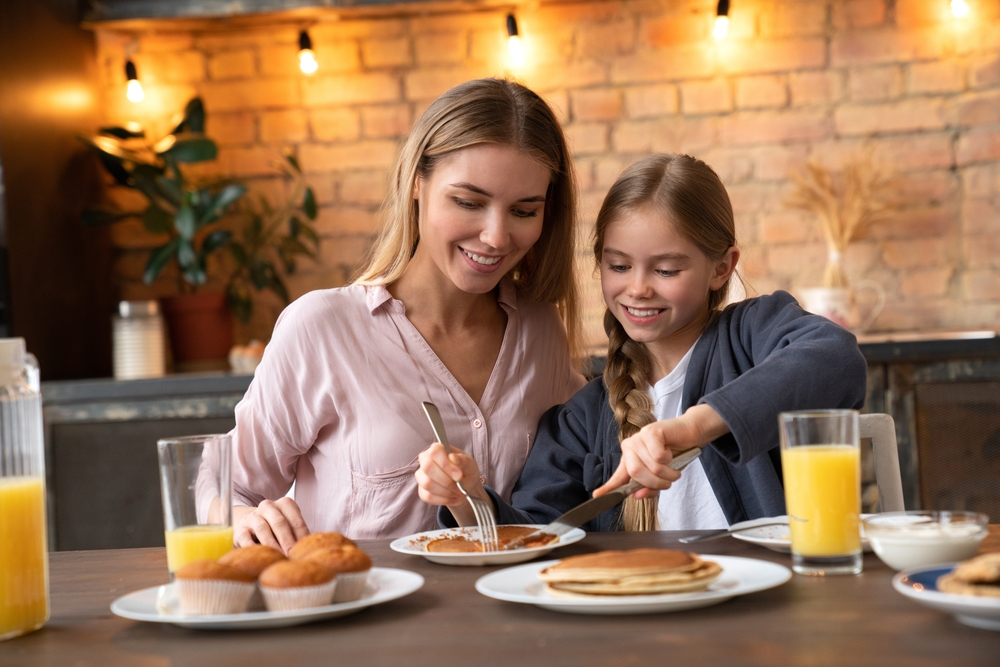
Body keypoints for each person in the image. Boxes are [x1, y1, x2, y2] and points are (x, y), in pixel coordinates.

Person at [416, 153, 868, 532]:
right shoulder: (582, 419)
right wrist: (470, 501)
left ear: (721, 268)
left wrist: (694, 427)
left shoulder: (752, 334)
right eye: (618, 266)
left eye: (666, 270)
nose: (638, 289)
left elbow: (835, 359)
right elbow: (541, 537)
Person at [231, 78, 586, 551]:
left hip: (513, 618)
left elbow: (566, 488)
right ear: (417, 183)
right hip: (365, 617)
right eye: (468, 202)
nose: (497, 237)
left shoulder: (541, 331)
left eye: (524, 211)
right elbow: (229, 488)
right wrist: (243, 518)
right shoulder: (322, 328)